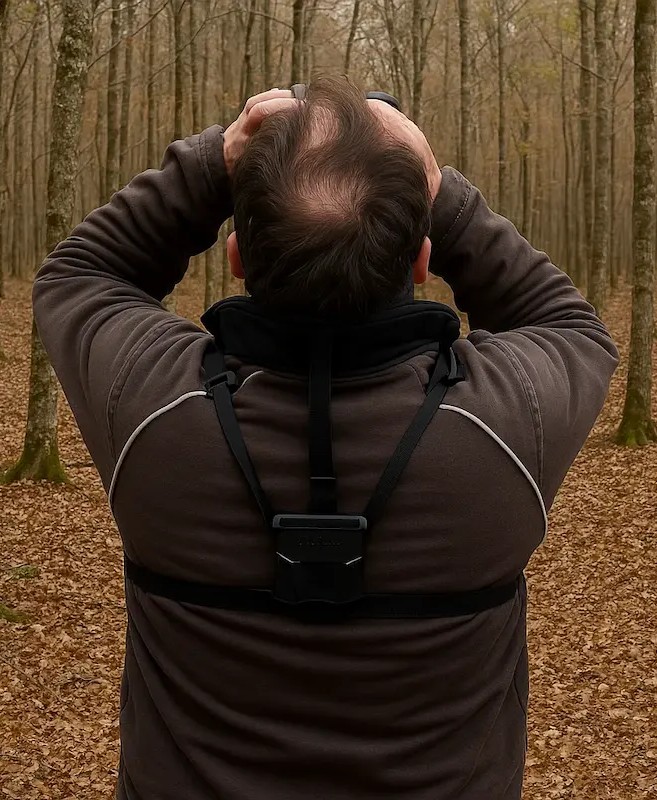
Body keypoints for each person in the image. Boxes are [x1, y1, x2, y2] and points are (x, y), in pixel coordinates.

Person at [33, 77, 618, 800]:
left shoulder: (157, 413)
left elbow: (80, 274)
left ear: (238, 255)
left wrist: (215, 159)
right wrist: (439, 188)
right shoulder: (499, 428)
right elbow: (568, 325)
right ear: (422, 261)